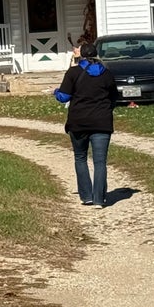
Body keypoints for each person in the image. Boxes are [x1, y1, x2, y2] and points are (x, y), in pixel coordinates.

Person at [54, 41, 118, 208]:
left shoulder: (73, 73)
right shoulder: (107, 74)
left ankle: (86, 195)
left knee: (80, 157)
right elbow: (114, 97)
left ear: (81, 55)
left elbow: (64, 97)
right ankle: (99, 199)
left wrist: (55, 92)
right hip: (102, 122)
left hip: (78, 122)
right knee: (100, 161)